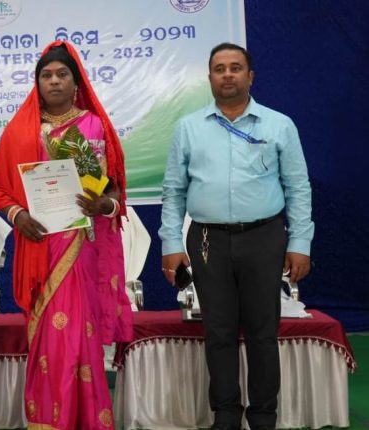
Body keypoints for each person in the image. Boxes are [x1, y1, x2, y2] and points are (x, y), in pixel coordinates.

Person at [159, 42, 314, 430]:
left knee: (263, 332)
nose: (227, 74)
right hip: (207, 240)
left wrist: (300, 243)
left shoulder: (279, 125)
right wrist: (171, 244)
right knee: (219, 331)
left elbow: (298, 187)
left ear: (250, 76)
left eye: (235, 67)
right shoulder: (189, 128)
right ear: (210, 78)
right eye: (219, 68)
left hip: (264, 237)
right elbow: (174, 191)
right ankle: (225, 414)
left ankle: (263, 416)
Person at [0, 41, 133, 429]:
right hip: (39, 245)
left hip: (81, 245)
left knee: (79, 332)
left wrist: (104, 206)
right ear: (37, 83)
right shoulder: (22, 130)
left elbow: (114, 191)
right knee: (50, 337)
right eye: (46, 75)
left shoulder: (94, 126)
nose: (54, 81)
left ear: (76, 82)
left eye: (62, 74)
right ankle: (49, 419)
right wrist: (17, 216)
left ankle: (86, 419)